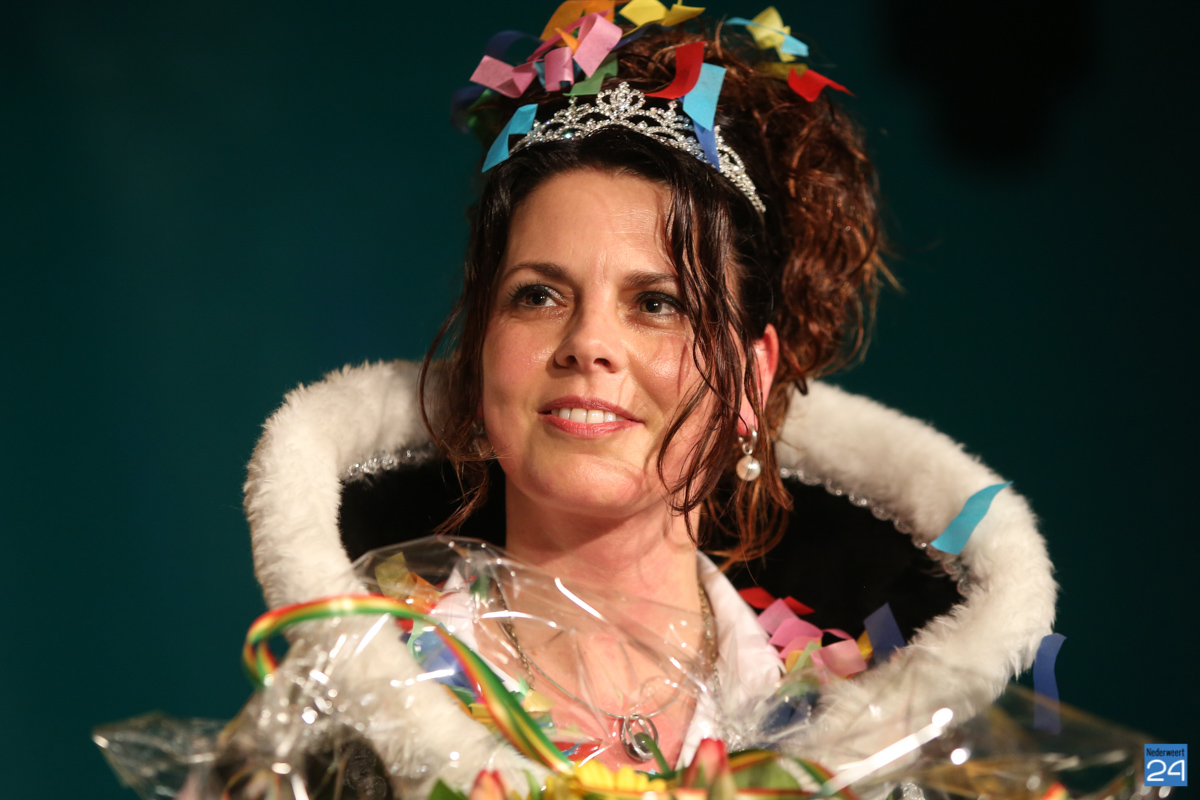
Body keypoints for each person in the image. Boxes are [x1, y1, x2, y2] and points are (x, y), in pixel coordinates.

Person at [241, 10, 1056, 796]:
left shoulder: (881, 750)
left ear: (753, 378)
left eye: (657, 303)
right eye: (538, 295)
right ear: (483, 349)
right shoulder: (330, 724)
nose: (588, 343)